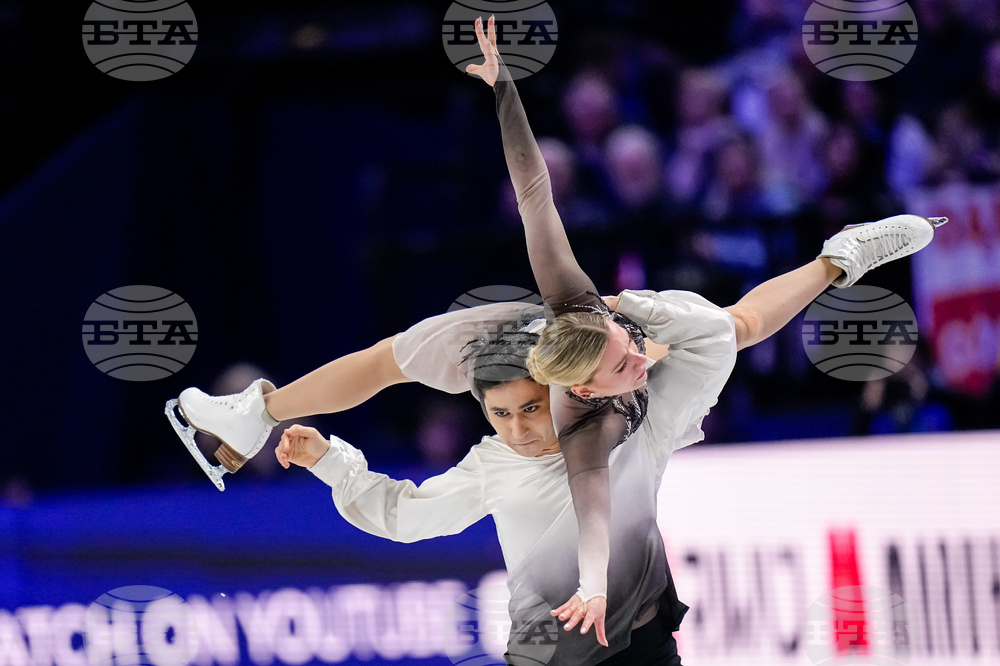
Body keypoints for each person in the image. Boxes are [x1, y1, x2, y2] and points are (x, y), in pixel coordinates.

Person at [165, 16, 947, 656]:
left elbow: (533, 189)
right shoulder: (561, 432)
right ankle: (249, 414)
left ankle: (842, 253)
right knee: (387, 359)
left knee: (730, 326)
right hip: (517, 359)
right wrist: (329, 455)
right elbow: (574, 493)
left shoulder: (611, 327)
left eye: (625, 355)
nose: (635, 362)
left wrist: (504, 87)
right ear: (581, 395)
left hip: (581, 318)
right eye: (621, 370)